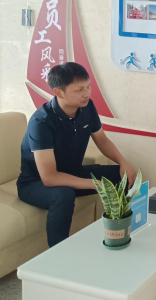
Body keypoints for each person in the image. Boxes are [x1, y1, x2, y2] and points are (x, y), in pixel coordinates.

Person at [17, 63, 138, 247]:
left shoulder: (87, 108)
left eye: (88, 86)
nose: (86, 93)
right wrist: (94, 184)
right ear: (59, 92)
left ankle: (126, 234)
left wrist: (123, 163)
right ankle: (59, 253)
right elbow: (49, 177)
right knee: (63, 194)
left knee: (124, 177)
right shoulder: (41, 122)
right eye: (79, 89)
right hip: (35, 183)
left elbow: (102, 140)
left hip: (71, 173)